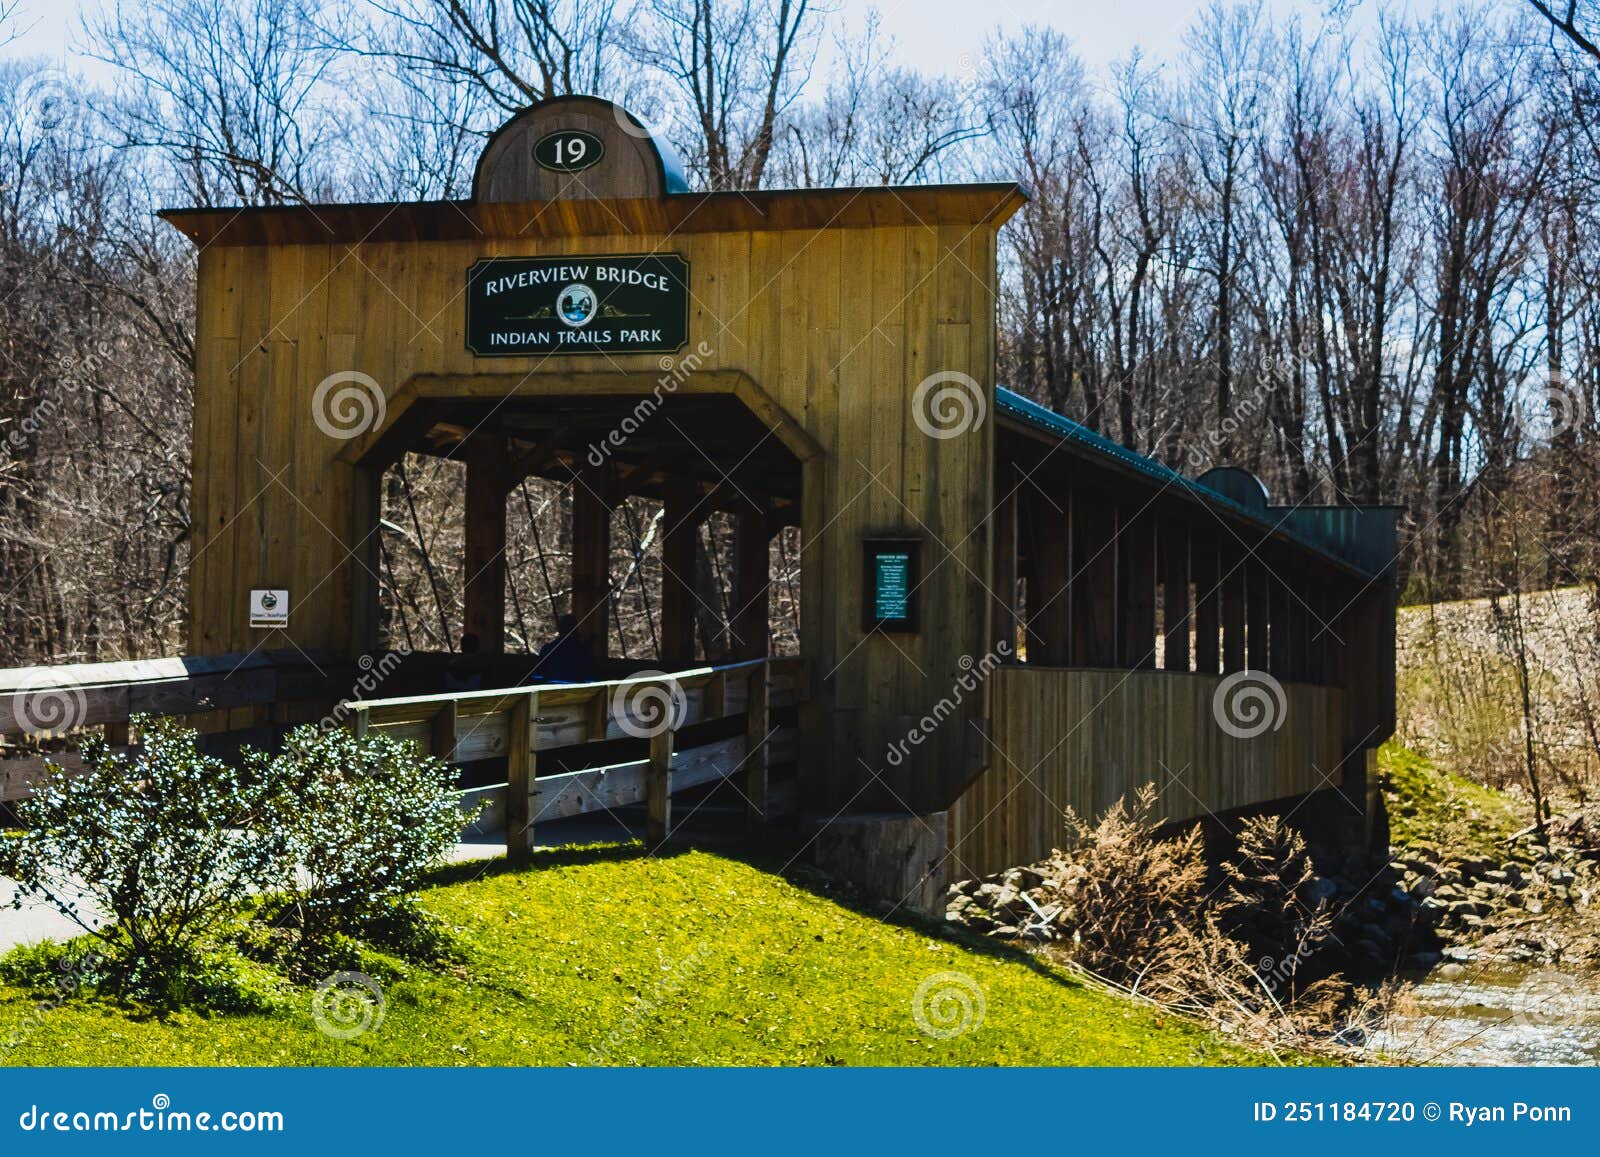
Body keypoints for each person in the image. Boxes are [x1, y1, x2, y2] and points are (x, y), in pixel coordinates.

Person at [531, 613, 596, 683]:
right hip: (577, 692)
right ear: (576, 630)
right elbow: (590, 679)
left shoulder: (547, 649)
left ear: (560, 629)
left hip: (552, 691)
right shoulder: (583, 651)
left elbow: (538, 675)